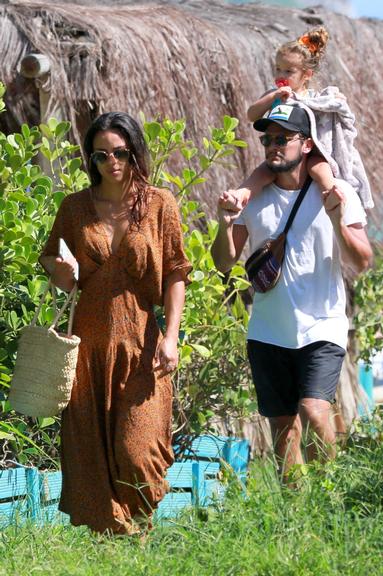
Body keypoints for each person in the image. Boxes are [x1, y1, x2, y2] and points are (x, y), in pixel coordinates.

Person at [39, 112, 192, 535]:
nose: (113, 162)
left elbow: (177, 271)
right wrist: (63, 271)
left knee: (136, 447)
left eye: (121, 152)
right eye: (102, 154)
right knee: (91, 449)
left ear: (135, 151)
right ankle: (113, 545)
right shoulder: (74, 207)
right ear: (92, 158)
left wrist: (172, 336)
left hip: (142, 342)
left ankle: (139, 527)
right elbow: (52, 257)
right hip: (89, 344)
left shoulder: (160, 203)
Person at [211, 103, 372, 480]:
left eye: (283, 138)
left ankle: (329, 495)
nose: (273, 145)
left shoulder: (336, 191)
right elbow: (223, 262)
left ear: (306, 144)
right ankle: (297, 518)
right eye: (268, 138)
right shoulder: (253, 200)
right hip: (268, 331)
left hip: (323, 326)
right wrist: (224, 224)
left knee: (315, 412)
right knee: (284, 432)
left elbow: (362, 259)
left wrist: (337, 218)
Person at [220, 26, 373, 214]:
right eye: (278, 69)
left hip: (308, 152)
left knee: (320, 167)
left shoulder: (312, 97)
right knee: (263, 172)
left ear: (306, 75)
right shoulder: (275, 96)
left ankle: (330, 193)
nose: (281, 76)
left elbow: (325, 109)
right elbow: (251, 115)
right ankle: (242, 193)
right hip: (282, 153)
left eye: (288, 71)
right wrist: (273, 96)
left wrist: (335, 100)